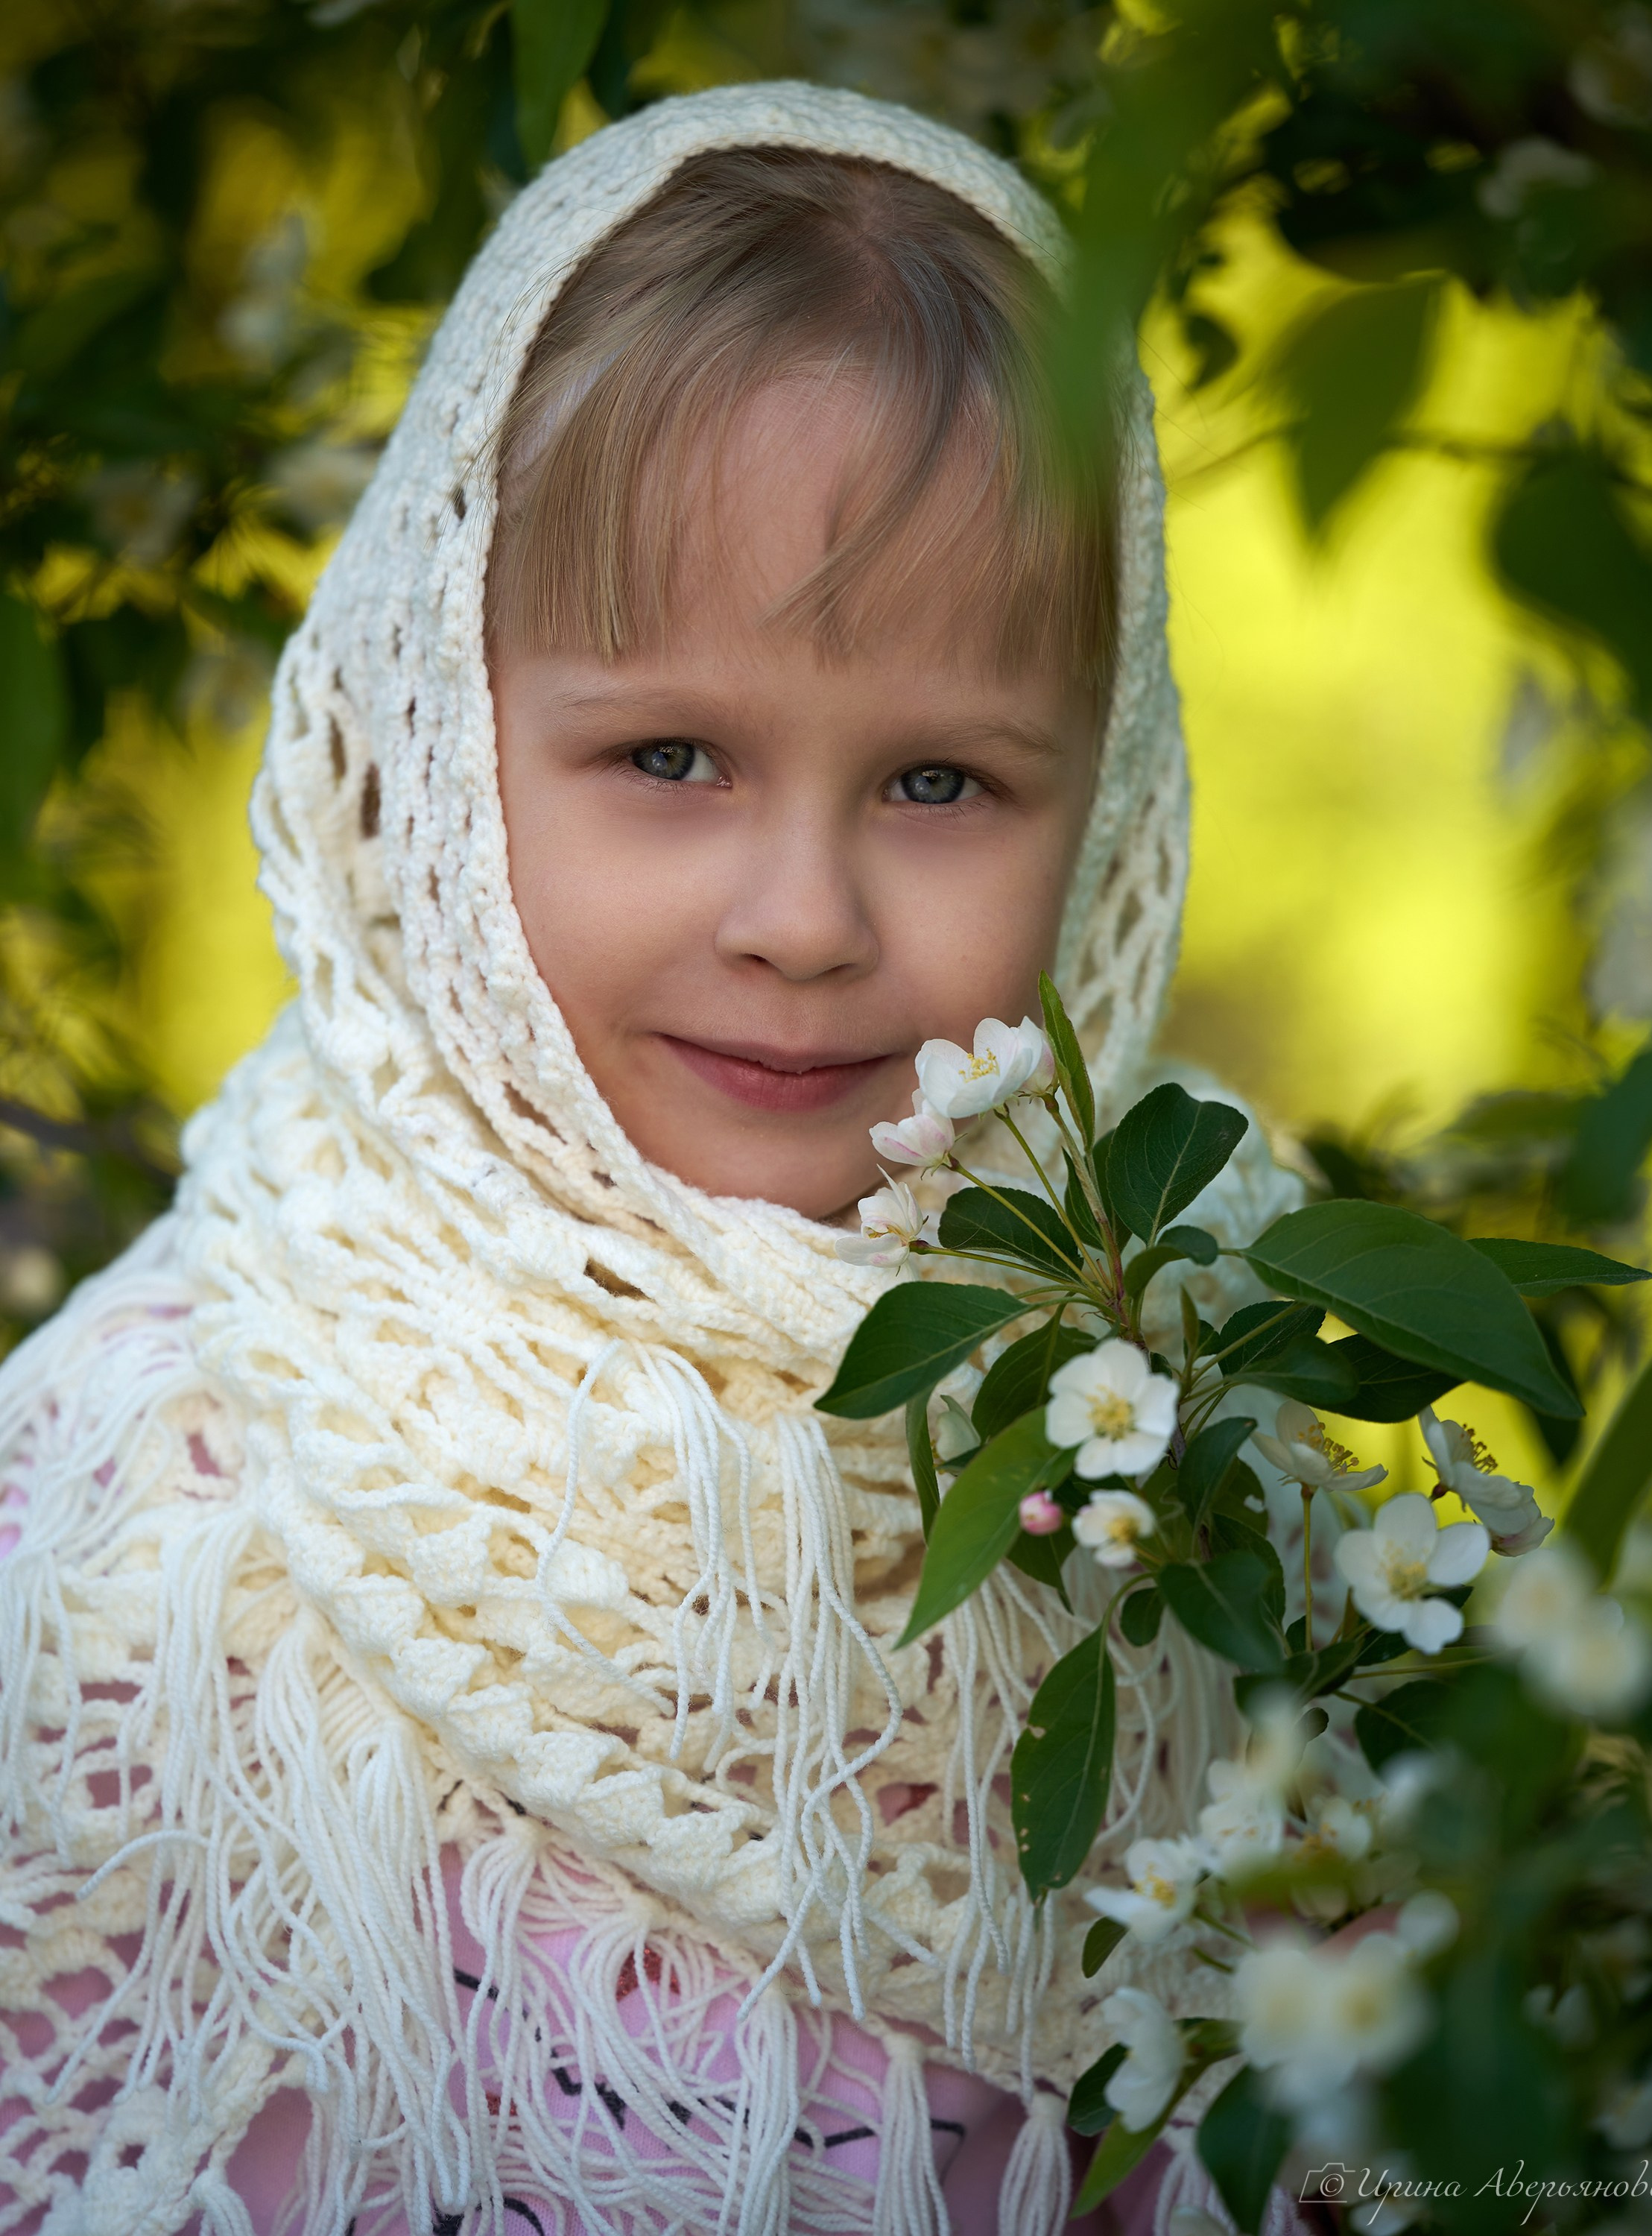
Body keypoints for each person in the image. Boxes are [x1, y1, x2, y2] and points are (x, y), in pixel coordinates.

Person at [0, 83, 1303, 2236]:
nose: (801, 914)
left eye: (940, 783)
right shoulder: (124, 1560)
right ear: (439, 738)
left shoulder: (1198, 1487)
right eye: (669, 755)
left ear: (1107, 809)